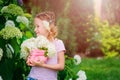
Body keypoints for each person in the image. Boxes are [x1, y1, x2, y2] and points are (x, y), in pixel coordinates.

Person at [26, 11, 66, 80]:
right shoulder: (36, 42)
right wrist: (30, 59)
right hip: (32, 77)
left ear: (47, 27)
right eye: (35, 26)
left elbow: (61, 66)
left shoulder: (58, 43)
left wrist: (43, 65)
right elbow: (33, 58)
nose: (35, 30)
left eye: (38, 26)